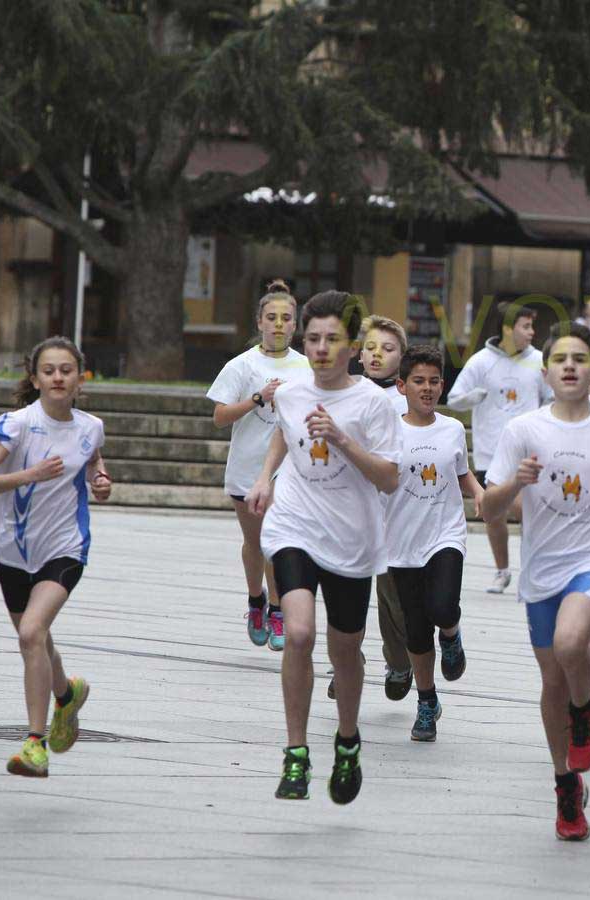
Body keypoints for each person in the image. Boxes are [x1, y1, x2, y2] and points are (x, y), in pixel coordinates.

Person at [484, 323, 590, 842]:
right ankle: (566, 786)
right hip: (543, 567)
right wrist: (517, 482)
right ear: (545, 370)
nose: (571, 367)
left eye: (580, 358)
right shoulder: (524, 431)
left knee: (570, 641)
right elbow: (487, 507)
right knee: (553, 680)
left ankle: (586, 714)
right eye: (560, 359)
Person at [248, 290, 404, 804]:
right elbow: (283, 433)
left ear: (353, 345)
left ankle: (347, 739)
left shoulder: (375, 404)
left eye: (331, 339)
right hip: (293, 522)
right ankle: (295, 754)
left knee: (345, 651)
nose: (318, 348)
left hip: (352, 538)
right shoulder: (290, 393)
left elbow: (388, 479)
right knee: (297, 632)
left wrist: (341, 438)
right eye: (311, 337)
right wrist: (266, 477)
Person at [0, 336, 111, 777]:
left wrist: (101, 481)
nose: (58, 377)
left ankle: (34, 744)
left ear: (79, 378)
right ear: (35, 378)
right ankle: (66, 696)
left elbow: (93, 464)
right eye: (49, 370)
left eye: (66, 370)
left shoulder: (90, 427)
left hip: (65, 547)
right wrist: (29, 474)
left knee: (31, 633)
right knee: (39, 640)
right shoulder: (18, 424)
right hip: (13, 551)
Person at [207, 280, 311, 651]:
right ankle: (256, 600)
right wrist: (257, 398)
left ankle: (279, 608)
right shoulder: (242, 365)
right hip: (247, 467)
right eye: (272, 318)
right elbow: (220, 416)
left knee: (277, 541)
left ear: (295, 324)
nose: (279, 324)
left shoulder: (307, 366)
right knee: (255, 541)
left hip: (291, 470)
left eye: (286, 318)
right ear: (259, 322)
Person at [385, 345, 480, 743]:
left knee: (441, 607)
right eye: (418, 382)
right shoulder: (387, 430)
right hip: (401, 542)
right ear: (401, 386)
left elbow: (463, 473)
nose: (427, 389)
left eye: (434, 381)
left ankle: (453, 632)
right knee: (416, 632)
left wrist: (479, 492)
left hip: (445, 535)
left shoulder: (453, 429)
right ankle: (427, 702)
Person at [448, 303, 553, 598]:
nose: (532, 332)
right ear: (508, 329)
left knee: (526, 509)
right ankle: (502, 571)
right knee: (493, 514)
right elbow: (454, 398)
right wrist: (472, 397)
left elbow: (551, 396)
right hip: (490, 450)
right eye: (525, 326)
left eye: (533, 326)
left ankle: (535, 568)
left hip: (529, 451)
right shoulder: (481, 361)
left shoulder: (539, 361)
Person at [358, 314, 413, 701]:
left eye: (388, 349)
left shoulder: (406, 401)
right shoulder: (344, 391)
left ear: (402, 358)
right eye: (370, 348)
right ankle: (347, 661)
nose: (377, 355)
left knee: (392, 597)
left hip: (393, 511)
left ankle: (400, 661)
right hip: (349, 510)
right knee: (348, 590)